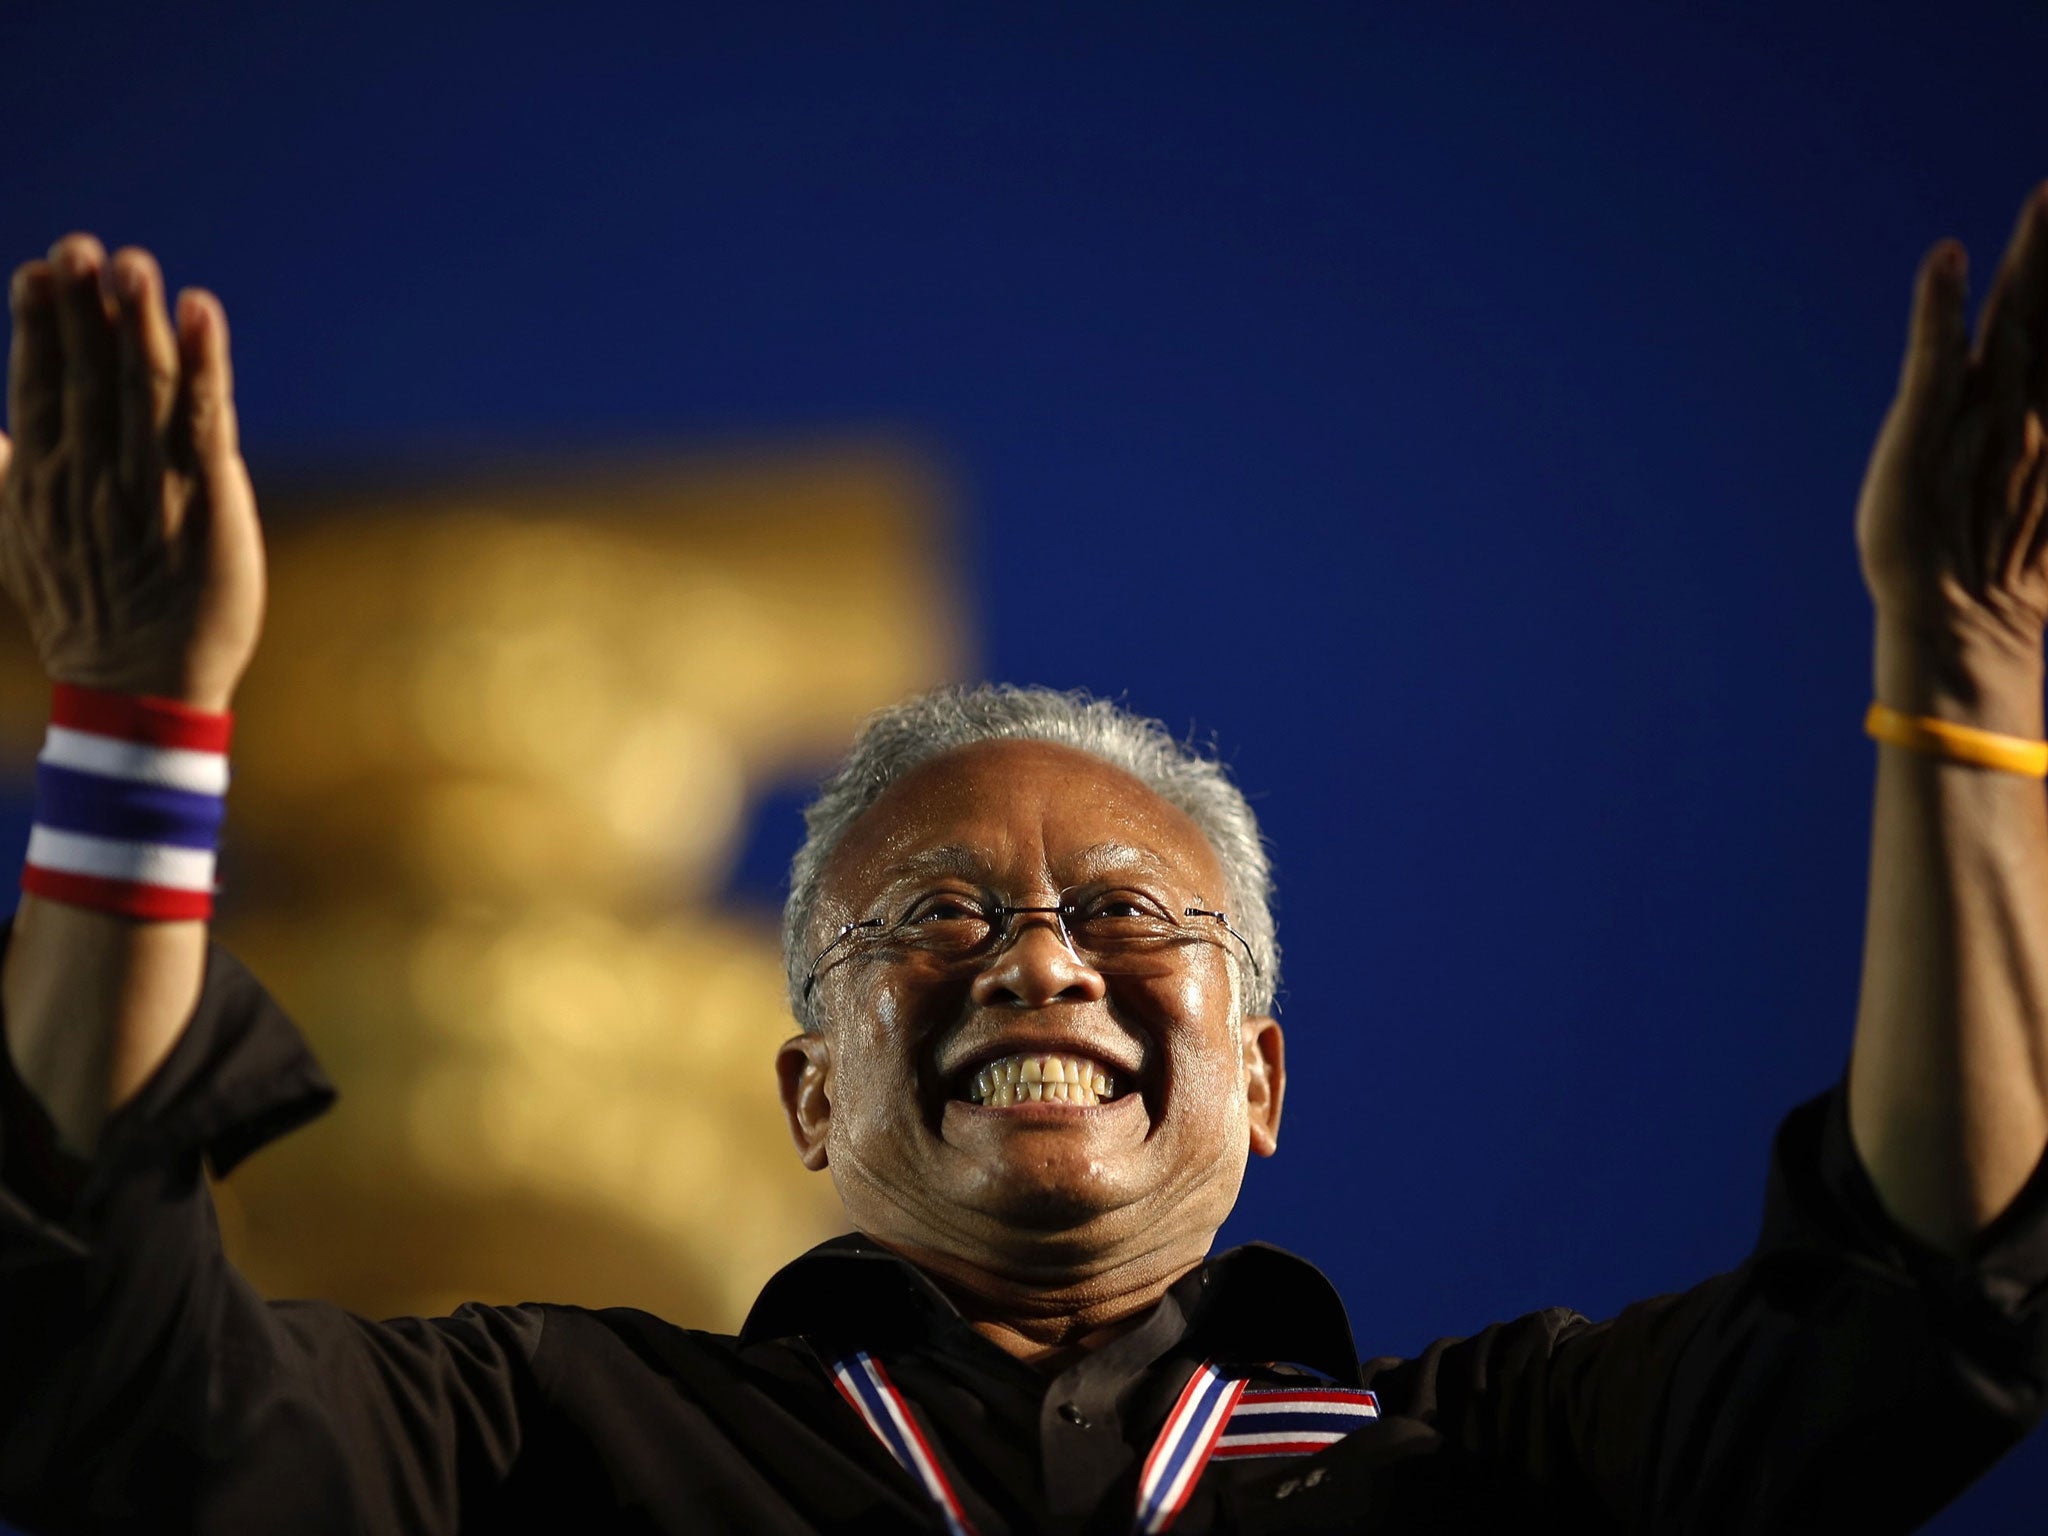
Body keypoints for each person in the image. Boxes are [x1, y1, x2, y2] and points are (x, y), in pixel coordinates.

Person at [0, 182, 2046, 1536]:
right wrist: (141, 721)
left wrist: (1959, 690)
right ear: (807, 1091)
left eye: (1129, 915)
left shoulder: (1491, 1469)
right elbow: (122, 1351)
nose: (1037, 961)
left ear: (1257, 1077)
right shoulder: (551, 1443)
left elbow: (1923, 1303)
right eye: (935, 918)